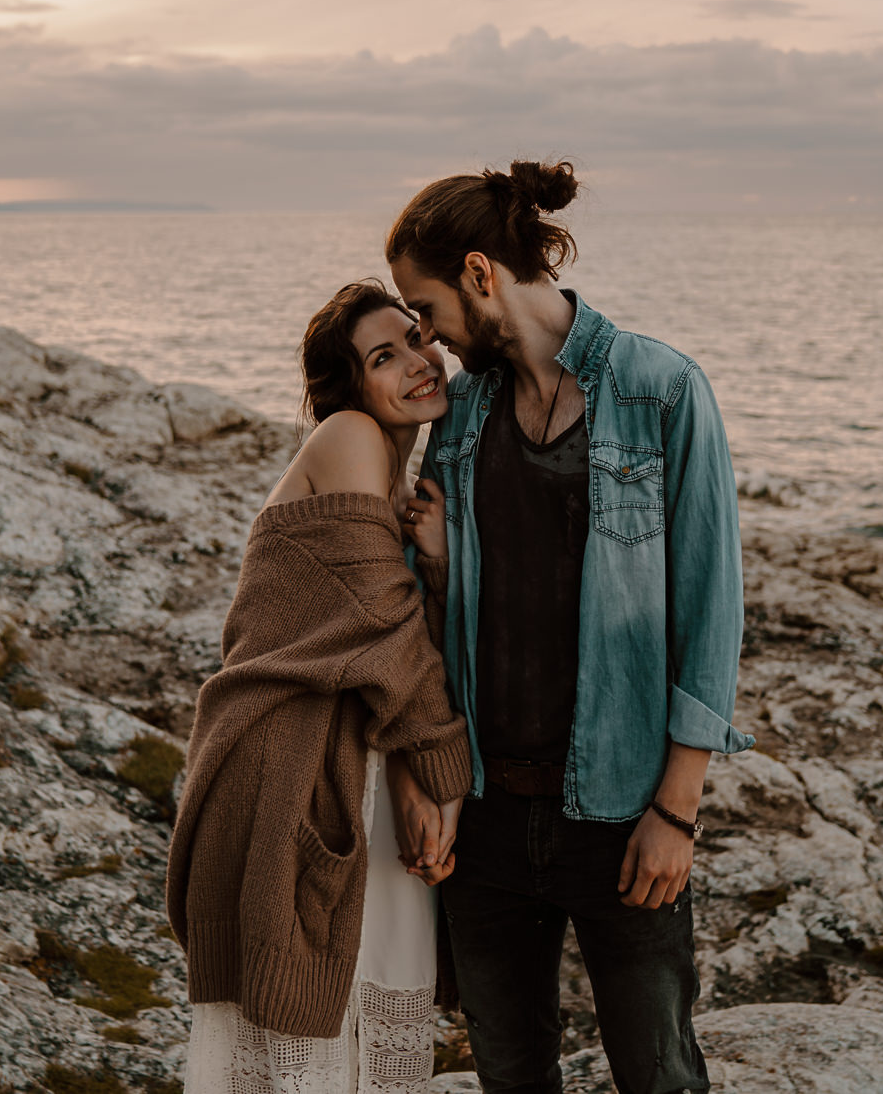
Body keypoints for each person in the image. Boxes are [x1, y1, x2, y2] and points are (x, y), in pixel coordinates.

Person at [384, 161, 752, 1094]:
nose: (424, 337)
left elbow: (711, 608)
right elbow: (454, 608)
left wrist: (677, 807)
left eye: (423, 306)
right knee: (511, 1076)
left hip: (623, 809)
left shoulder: (662, 390)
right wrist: (438, 568)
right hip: (490, 817)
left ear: (478, 273)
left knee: (659, 1072)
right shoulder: (461, 410)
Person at [168, 280, 470, 1090]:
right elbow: (384, 631)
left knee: (368, 1033)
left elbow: (390, 629)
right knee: (313, 1042)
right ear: (351, 387)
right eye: (384, 356)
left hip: (350, 762)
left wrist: (435, 565)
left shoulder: (395, 479)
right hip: (286, 768)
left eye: (414, 337)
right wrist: (446, 776)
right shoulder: (350, 436)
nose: (417, 360)